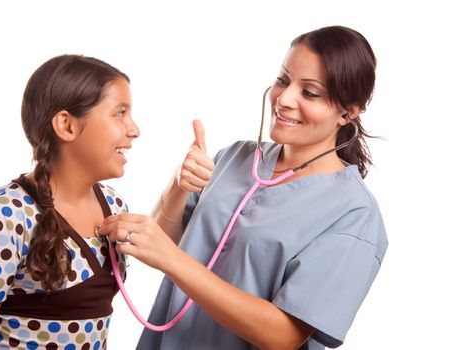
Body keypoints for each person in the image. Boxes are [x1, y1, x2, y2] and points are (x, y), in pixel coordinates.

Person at [98, 26, 388, 350]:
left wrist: (172, 261)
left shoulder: (353, 214)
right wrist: (178, 186)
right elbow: (165, 243)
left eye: (310, 93)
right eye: (283, 80)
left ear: (349, 112)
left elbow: (284, 336)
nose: (285, 99)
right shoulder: (235, 157)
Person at [0, 54, 140, 349]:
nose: (134, 130)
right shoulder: (1, 221)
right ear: (66, 125)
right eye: (120, 113)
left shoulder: (113, 206)